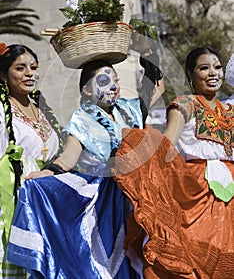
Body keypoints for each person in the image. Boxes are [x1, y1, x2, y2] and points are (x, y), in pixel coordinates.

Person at [7, 40, 164, 278]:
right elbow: (67, 158)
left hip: (140, 196)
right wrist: (45, 175)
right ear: (86, 90)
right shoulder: (81, 121)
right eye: (103, 81)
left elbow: (157, 87)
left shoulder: (130, 109)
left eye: (115, 81)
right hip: (107, 204)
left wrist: (147, 53)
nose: (113, 87)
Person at [113, 47, 233, 278]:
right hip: (197, 193)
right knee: (194, 259)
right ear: (190, 74)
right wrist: (140, 145)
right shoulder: (184, 105)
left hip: (232, 196)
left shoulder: (230, 110)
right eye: (204, 68)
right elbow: (166, 149)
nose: (212, 73)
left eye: (217, 67)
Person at [0, 42, 63, 278]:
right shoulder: (1, 109)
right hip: (13, 204)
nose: (29, 73)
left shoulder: (41, 107)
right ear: (3, 75)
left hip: (45, 205)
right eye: (20, 68)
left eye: (33, 67)